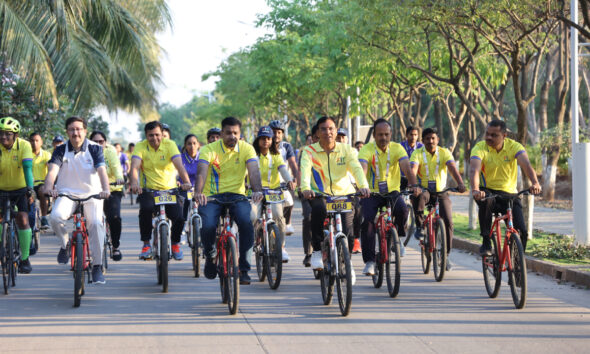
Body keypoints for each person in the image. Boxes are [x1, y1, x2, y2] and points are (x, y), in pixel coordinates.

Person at [195, 117, 264, 285]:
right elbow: (202, 172)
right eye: (228, 133)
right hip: (212, 197)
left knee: (246, 223)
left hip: (237, 196)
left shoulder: (247, 149)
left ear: (240, 134)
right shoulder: (209, 149)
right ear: (221, 134)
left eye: (235, 133)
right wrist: (198, 192)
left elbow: (253, 171)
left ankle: (244, 268)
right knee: (209, 225)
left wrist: (257, 190)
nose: (232, 136)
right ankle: (211, 255)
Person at [300, 116, 370, 282]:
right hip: (320, 194)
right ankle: (317, 250)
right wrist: (306, 188)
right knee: (318, 210)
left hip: (344, 194)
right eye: (323, 129)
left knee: (349, 232)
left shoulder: (347, 150)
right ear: (317, 133)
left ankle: (347, 265)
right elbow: (305, 171)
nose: (328, 132)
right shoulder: (309, 152)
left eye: (331, 128)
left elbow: (356, 169)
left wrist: (363, 185)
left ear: (336, 130)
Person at [44, 117, 111, 284]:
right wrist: (48, 187)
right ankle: (65, 244)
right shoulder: (60, 150)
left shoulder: (95, 148)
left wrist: (106, 189)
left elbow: (102, 171)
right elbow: (52, 171)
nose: (75, 133)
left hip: (93, 195)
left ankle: (97, 266)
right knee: (55, 217)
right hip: (67, 194)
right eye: (72, 129)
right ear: (67, 132)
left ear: (85, 131)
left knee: (95, 224)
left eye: (79, 129)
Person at [470, 119, 541, 255]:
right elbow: (474, 170)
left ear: (504, 136)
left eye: (494, 135)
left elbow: (526, 164)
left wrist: (535, 182)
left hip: (509, 194)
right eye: (487, 134)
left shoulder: (514, 147)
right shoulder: (479, 148)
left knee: (522, 231)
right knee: (486, 201)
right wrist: (475, 189)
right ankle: (486, 242)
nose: (489, 137)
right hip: (487, 190)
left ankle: (516, 264)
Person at [357, 118, 415, 276]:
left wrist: (414, 185)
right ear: (374, 135)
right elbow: (362, 167)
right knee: (368, 221)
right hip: (371, 193)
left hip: (392, 192)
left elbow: (406, 168)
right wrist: (362, 186)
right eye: (380, 134)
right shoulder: (367, 149)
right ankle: (369, 261)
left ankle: (398, 240)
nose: (383, 137)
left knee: (403, 211)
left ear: (391, 134)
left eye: (386, 134)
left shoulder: (397, 149)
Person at [129, 121, 192, 261]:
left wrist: (186, 182)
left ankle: (175, 243)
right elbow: (134, 167)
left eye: (157, 134)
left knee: (180, 217)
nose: (154, 138)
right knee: (145, 210)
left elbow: (179, 166)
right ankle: (146, 244)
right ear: (146, 135)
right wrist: (134, 183)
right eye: (151, 135)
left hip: (169, 190)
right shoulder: (140, 146)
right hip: (149, 190)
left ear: (162, 134)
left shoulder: (170, 145)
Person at [410, 127, 466, 270]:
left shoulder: (444, 153)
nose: (430, 141)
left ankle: (445, 256)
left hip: (441, 192)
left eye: (433, 138)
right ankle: (420, 226)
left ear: (438, 140)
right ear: (423, 141)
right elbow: (413, 169)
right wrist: (414, 185)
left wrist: (460, 183)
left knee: (448, 221)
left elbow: (452, 168)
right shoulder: (417, 154)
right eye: (427, 139)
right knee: (419, 195)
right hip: (425, 191)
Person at [250, 126, 294, 262]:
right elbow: (245, 172)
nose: (266, 141)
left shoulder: (276, 156)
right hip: (256, 192)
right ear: (258, 140)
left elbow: (283, 169)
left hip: (274, 192)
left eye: (268, 138)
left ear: (272, 141)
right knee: (252, 216)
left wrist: (289, 180)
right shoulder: (252, 156)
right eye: (263, 138)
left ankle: (280, 247)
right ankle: (257, 240)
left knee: (279, 218)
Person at [0, 117, 34, 273]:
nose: (3, 137)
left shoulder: (25, 145)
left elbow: (27, 169)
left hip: (20, 188)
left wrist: (30, 189)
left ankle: (24, 259)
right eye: (1, 134)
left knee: (23, 218)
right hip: (1, 189)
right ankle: (2, 249)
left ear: (16, 135)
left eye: (8, 134)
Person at [90, 131, 125, 261]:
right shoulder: (85, 152)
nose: (98, 144)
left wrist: (119, 178)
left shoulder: (110, 151)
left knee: (114, 217)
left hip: (112, 188)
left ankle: (115, 246)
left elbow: (116, 167)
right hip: (92, 191)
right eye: (95, 142)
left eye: (101, 142)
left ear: (105, 143)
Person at [269, 120, 299, 236]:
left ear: (282, 134)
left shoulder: (286, 146)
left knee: (289, 202)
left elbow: (292, 163)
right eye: (274, 132)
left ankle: (287, 223)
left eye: (279, 132)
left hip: (282, 183)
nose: (276, 135)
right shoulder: (263, 145)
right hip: (265, 184)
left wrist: (295, 179)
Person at [298, 126, 318, 267]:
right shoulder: (305, 154)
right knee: (309, 217)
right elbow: (301, 172)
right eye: (311, 140)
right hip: (308, 193)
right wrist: (303, 188)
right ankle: (309, 253)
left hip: (328, 194)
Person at [29, 132, 51, 230]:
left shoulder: (46, 154)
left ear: (41, 142)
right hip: (29, 184)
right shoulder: (26, 154)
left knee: (42, 191)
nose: (34, 143)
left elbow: (51, 168)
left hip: (42, 183)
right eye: (32, 141)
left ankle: (44, 217)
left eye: (37, 140)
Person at [180, 134, 199, 220]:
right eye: (189, 144)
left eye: (194, 143)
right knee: (184, 204)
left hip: (200, 189)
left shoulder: (204, 157)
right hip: (184, 189)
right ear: (185, 145)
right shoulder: (180, 158)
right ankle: (183, 226)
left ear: (198, 144)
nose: (192, 146)